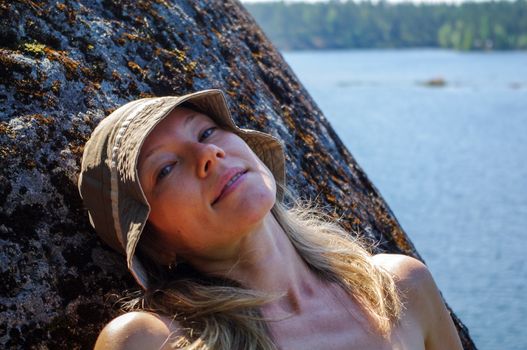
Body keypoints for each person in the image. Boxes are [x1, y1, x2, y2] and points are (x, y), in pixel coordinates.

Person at [78, 89, 463, 350]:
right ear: (154, 241)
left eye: (207, 130)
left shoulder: (401, 287)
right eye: (165, 169)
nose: (207, 152)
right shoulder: (151, 342)